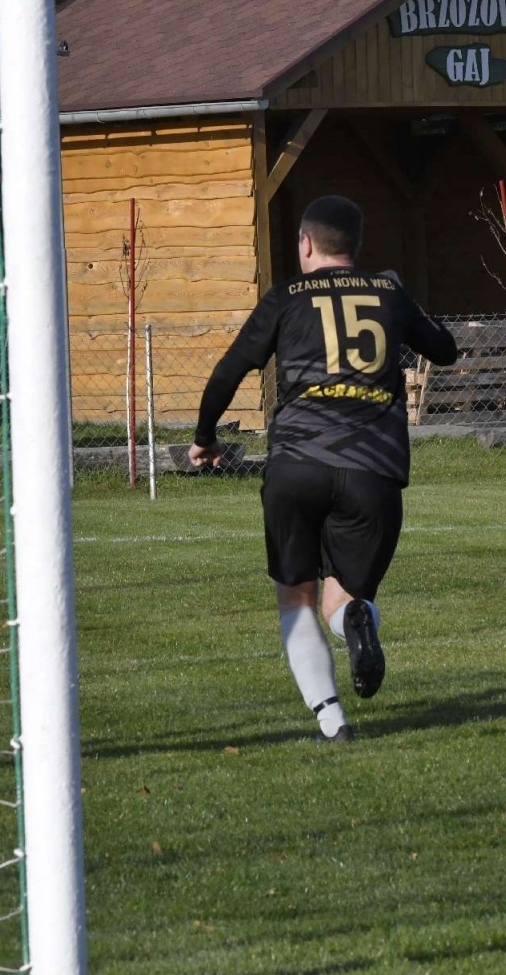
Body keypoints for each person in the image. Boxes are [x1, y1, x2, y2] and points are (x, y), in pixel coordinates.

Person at [188, 195, 457, 742]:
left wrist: (204, 438)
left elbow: (229, 369)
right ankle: (354, 624)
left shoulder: (286, 296)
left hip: (296, 466)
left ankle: (332, 722)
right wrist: (401, 301)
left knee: (296, 596)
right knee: (345, 599)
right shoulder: (388, 291)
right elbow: (445, 350)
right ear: (355, 248)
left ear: (305, 244)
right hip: (373, 471)